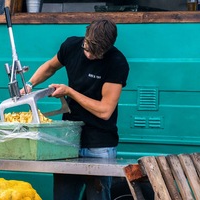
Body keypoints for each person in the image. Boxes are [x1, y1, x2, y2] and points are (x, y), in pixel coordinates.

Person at [21, 19, 129, 200]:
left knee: (97, 197)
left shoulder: (117, 63)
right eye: (87, 48)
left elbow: (105, 111)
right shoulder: (71, 45)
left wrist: (70, 91)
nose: (88, 55)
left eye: (95, 54)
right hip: (68, 140)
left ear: (108, 48)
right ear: (85, 36)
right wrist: (30, 84)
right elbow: (50, 67)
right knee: (64, 196)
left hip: (99, 144)